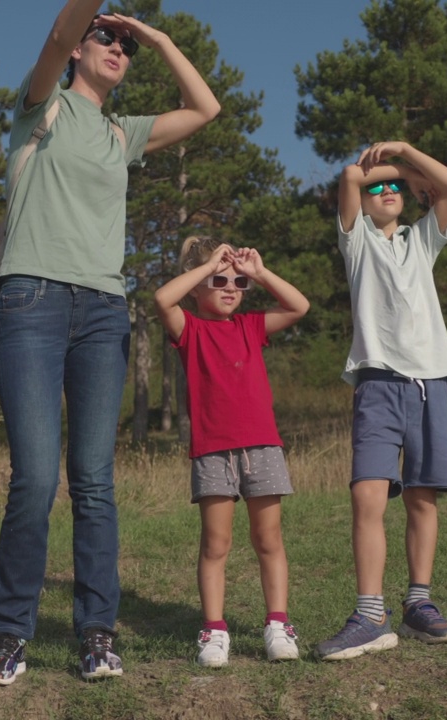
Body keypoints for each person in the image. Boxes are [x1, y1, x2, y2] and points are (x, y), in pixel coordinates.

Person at [0, 1, 220, 685]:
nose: (118, 47)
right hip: (32, 303)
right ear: (80, 50)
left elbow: (205, 109)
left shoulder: (123, 133)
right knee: (33, 479)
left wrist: (157, 37)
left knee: (93, 483)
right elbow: (57, 34)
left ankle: (97, 635)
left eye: (124, 44)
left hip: (104, 311)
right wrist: (87, 19)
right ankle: (9, 636)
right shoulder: (40, 107)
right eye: (106, 37)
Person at [314, 141, 447, 661]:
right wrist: (391, 171)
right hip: (377, 383)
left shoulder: (422, 240)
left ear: (409, 196)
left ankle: (418, 604)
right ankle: (369, 614)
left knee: (423, 498)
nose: (386, 190)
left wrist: (405, 152)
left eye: (395, 187)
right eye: (378, 185)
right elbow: (349, 177)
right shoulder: (355, 239)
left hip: (430, 383)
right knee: (368, 498)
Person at [154, 238, 310, 668]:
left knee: (268, 540)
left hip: (262, 447)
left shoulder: (251, 326)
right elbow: (161, 297)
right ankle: (214, 630)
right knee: (216, 545)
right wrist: (205, 266)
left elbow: (299, 306)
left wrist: (259, 273)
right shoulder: (189, 329)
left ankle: (278, 624)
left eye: (238, 282)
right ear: (197, 286)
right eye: (217, 280)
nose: (229, 287)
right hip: (213, 453)